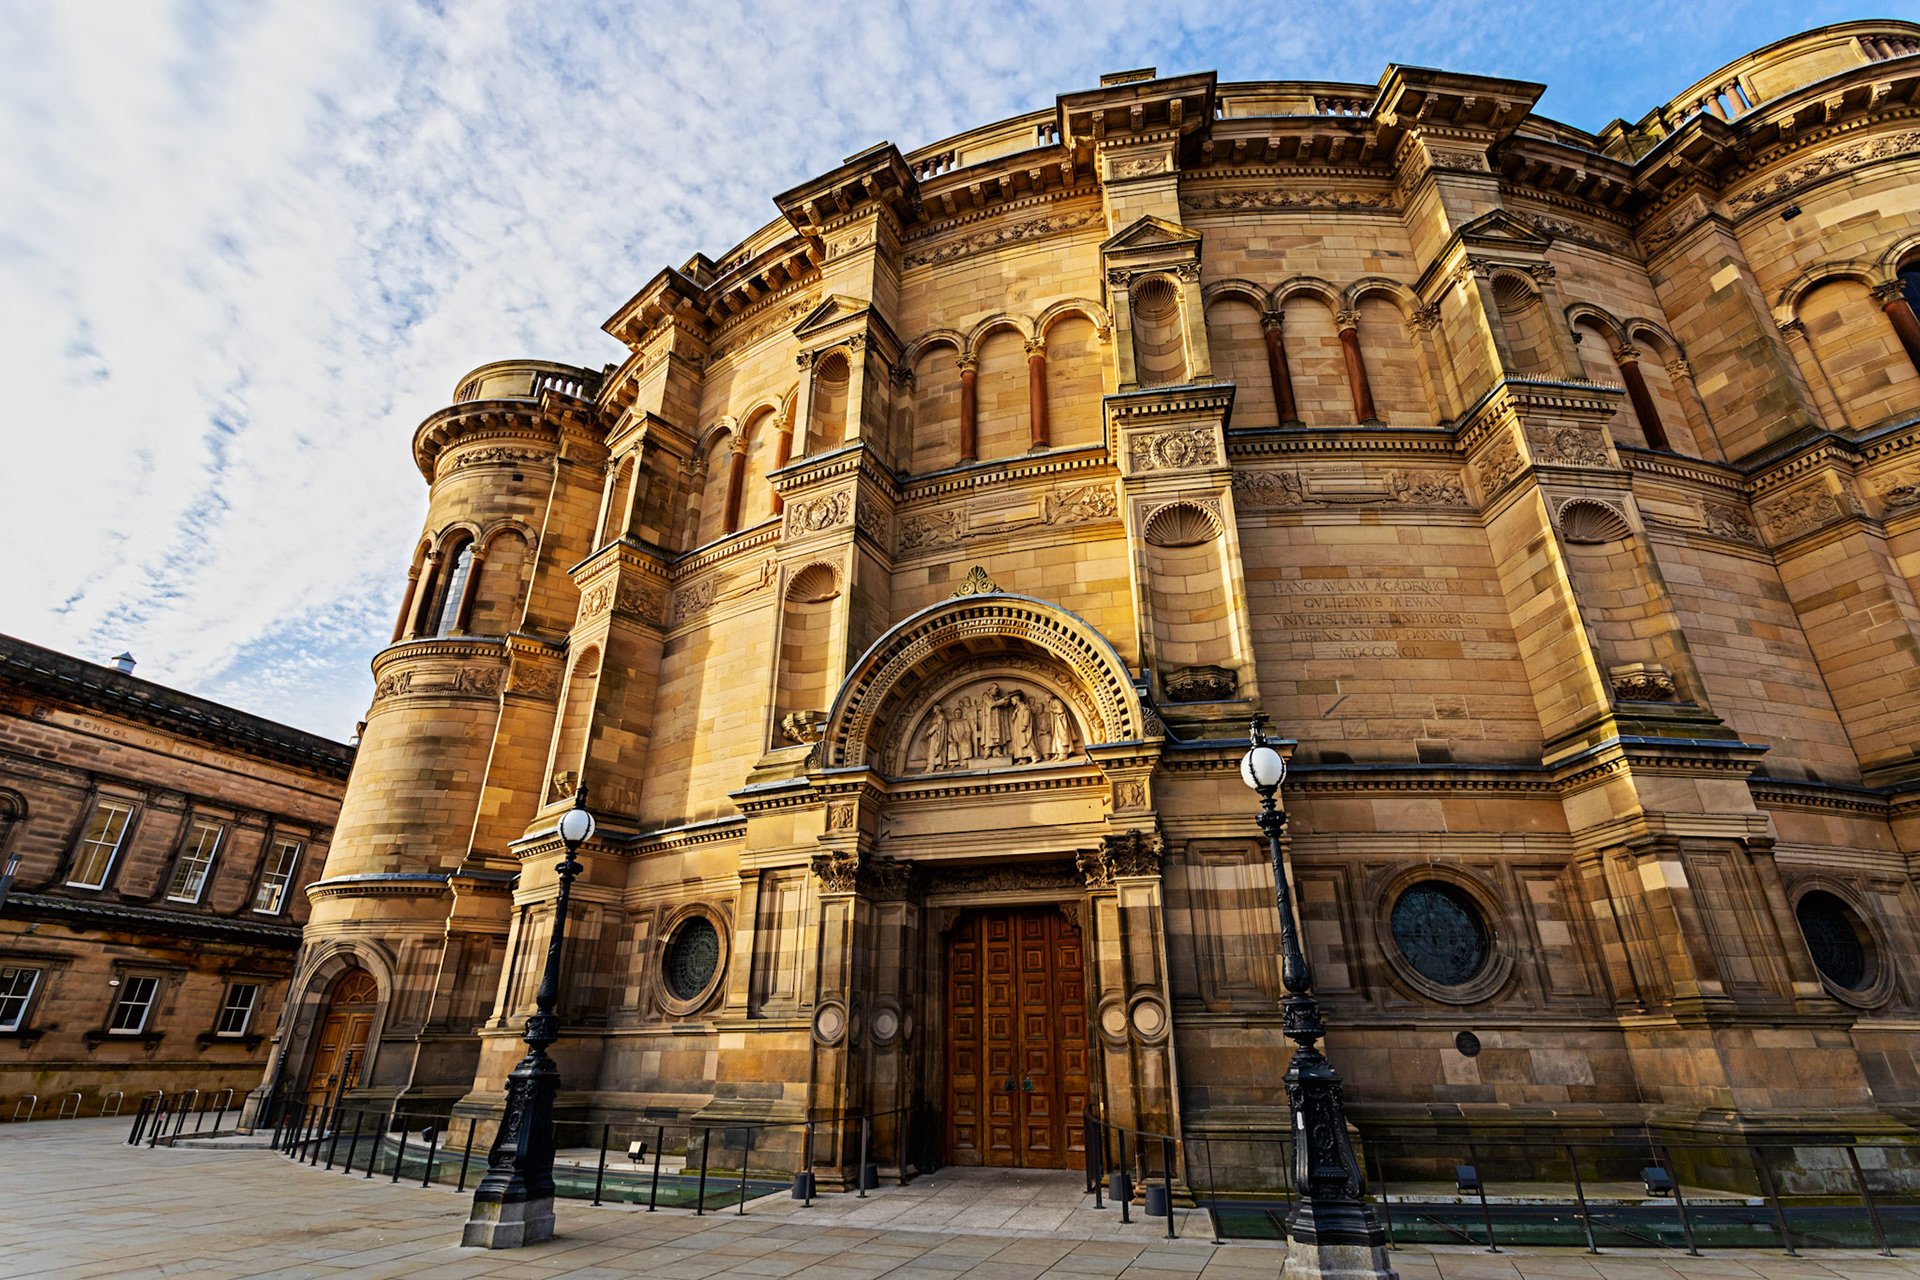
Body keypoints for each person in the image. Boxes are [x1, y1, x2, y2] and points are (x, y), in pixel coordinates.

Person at [1010, 691, 1037, 763]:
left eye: (1012, 701)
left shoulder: (1024, 707)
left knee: (1026, 742)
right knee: (1019, 743)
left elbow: (1026, 715)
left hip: (1023, 728)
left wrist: (1024, 725)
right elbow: (1013, 719)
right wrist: (1014, 715)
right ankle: (1022, 759)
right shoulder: (1017, 709)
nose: (1012, 702)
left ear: (1016, 700)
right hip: (1017, 729)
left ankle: (1035, 756)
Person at [1047, 695, 1074, 760]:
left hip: (1060, 722)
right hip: (1056, 724)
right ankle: (1057, 753)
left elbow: (1061, 710)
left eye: (1046, 698)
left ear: (1049, 697)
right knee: (1056, 738)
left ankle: (1063, 754)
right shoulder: (1051, 703)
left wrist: (1053, 710)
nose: (1046, 699)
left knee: (1061, 737)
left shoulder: (1056, 701)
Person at [922, 705, 947, 772]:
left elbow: (937, 726)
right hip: (934, 736)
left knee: (934, 750)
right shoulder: (936, 716)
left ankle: (931, 766)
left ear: (937, 709)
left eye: (934, 708)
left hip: (937, 736)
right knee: (933, 750)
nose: (933, 710)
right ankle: (937, 764)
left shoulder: (940, 716)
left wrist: (929, 733)